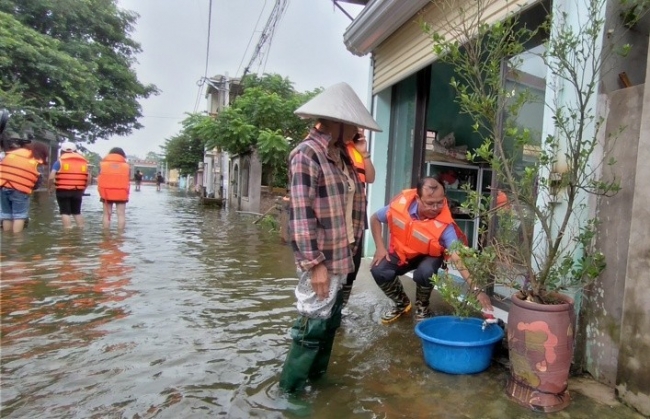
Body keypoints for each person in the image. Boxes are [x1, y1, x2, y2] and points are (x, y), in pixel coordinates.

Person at [279, 82, 382, 393]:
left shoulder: (343, 156)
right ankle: (291, 390)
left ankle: (317, 378)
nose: (356, 131)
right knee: (311, 323)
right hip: (322, 257)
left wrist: (360, 152)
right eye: (353, 125)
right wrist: (315, 265)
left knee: (330, 320)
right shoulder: (306, 155)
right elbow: (301, 214)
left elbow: (364, 184)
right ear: (337, 122)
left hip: (344, 252)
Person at [369, 176, 493, 324]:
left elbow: (457, 257)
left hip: (429, 256)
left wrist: (476, 289)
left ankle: (423, 307)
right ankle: (402, 303)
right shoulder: (400, 206)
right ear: (417, 198)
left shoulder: (445, 225)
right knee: (378, 269)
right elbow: (375, 218)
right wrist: (380, 247)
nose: (435, 208)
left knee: (425, 271)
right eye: (430, 203)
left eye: (440, 202)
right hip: (403, 253)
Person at [340, 128, 375, 307]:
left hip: (358, 212)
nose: (360, 130)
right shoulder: (332, 147)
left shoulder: (358, 151)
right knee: (337, 262)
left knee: (354, 263)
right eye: (356, 126)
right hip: (338, 211)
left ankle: (340, 309)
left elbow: (370, 177)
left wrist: (364, 153)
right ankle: (329, 308)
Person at [0, 131, 48, 233]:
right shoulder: (35, 159)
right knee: (19, 215)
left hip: (3, 186)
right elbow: (37, 181)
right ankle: (16, 242)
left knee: (6, 214)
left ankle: (6, 238)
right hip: (20, 190)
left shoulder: (12, 154)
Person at [48, 142, 90, 229]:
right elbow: (88, 178)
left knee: (65, 212)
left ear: (62, 151)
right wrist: (84, 189)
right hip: (77, 191)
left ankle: (67, 233)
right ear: (75, 151)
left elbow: (51, 176)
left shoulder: (60, 161)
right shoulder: (83, 162)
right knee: (77, 212)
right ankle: (80, 230)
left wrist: (50, 187)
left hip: (63, 191)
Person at [97, 147, 130, 230]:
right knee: (121, 214)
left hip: (106, 193)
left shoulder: (102, 165)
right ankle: (120, 235)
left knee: (106, 215)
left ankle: (106, 234)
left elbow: (99, 178)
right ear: (122, 155)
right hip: (121, 192)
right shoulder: (127, 166)